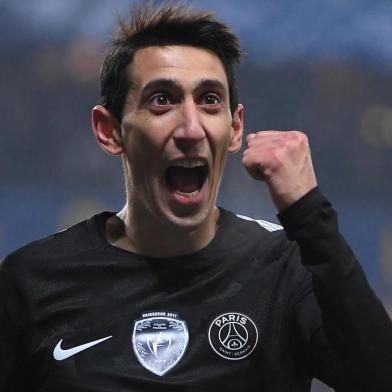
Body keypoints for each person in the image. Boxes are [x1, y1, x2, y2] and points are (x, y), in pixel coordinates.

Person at [1, 3, 391, 391]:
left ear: (235, 128)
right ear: (110, 130)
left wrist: (308, 211)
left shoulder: (285, 267)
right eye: (162, 100)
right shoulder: (33, 280)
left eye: (209, 100)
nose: (191, 127)